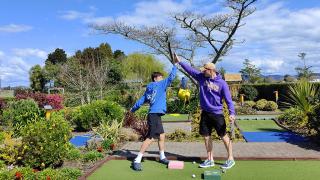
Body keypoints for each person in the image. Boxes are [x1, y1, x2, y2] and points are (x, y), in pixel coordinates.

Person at [175, 54, 236, 169]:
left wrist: (232, 113)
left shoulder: (222, 83)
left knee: (223, 136)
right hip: (205, 114)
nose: (202, 72)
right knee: (206, 136)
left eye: (205, 70)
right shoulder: (201, 77)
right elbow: (190, 70)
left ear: (211, 70)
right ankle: (210, 159)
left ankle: (230, 159)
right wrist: (180, 62)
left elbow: (229, 101)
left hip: (217, 114)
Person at [130, 64, 177, 171]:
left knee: (161, 136)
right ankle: (137, 159)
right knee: (150, 138)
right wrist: (176, 64)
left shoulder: (149, 89)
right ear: (156, 79)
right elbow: (171, 77)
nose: (162, 79)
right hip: (154, 115)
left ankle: (162, 157)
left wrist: (132, 110)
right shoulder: (160, 84)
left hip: (154, 115)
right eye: (160, 77)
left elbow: (140, 101)